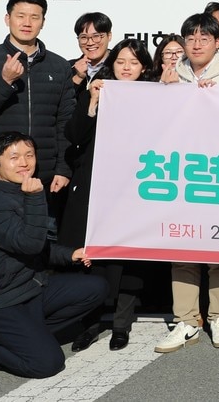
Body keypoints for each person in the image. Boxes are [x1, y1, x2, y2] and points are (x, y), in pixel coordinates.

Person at [0, 0, 75, 333]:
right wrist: (5, 82)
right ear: (7, 19)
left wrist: (62, 169)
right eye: (20, 15)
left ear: (43, 22)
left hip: (39, 181)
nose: (27, 22)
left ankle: (28, 323)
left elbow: (63, 124)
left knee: (37, 251)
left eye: (34, 16)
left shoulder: (57, 67)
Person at [0, 131, 106, 378]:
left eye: (29, 155)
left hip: (27, 289)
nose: (24, 163)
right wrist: (35, 198)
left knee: (95, 288)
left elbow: (37, 246)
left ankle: (29, 335)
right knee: (48, 363)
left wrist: (70, 255)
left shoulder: (17, 190)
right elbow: (29, 245)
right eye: (14, 157)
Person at [156, 12, 219, 353]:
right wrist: (165, 93)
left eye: (204, 38)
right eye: (190, 38)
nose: (196, 44)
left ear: (217, 41)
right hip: (182, 173)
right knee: (182, 247)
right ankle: (186, 320)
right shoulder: (169, 76)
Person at [61, 38, 156, 353]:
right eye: (121, 62)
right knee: (91, 256)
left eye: (134, 62)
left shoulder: (155, 97)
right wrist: (91, 103)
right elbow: (73, 136)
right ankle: (87, 325)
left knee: (127, 259)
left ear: (144, 68)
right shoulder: (99, 92)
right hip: (93, 186)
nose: (127, 67)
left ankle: (120, 325)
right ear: (112, 64)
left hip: (134, 189)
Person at [69, 12, 113, 91]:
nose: (90, 43)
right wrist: (78, 78)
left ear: (109, 36)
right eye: (84, 37)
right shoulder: (67, 67)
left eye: (96, 36)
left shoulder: (120, 67)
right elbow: (59, 100)